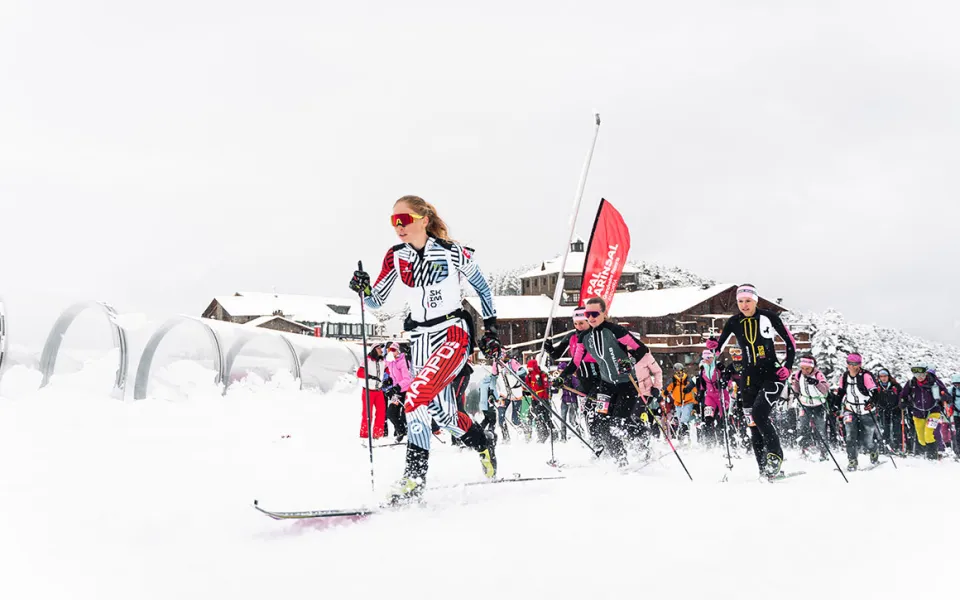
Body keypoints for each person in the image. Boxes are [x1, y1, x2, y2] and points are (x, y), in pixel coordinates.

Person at [349, 195, 500, 503]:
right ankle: (482, 441)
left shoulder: (451, 252)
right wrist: (362, 288)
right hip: (418, 338)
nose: (398, 226)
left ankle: (414, 478)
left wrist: (492, 329)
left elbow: (482, 288)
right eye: (393, 221)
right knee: (443, 416)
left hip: (452, 333)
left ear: (424, 220)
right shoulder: (396, 256)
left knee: (415, 396)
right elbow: (377, 300)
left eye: (403, 219)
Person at [707, 284, 797, 478]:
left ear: (755, 300)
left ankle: (775, 455)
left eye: (748, 301)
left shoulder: (769, 317)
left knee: (759, 413)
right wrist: (713, 346)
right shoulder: (733, 322)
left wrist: (787, 367)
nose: (744, 305)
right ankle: (764, 469)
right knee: (753, 424)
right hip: (748, 378)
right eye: (740, 301)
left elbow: (791, 343)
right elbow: (717, 349)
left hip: (772, 374)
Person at [555, 296, 653, 467]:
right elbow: (575, 362)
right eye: (588, 314)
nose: (591, 317)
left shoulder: (615, 331)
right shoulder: (584, 337)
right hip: (606, 387)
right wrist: (562, 376)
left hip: (625, 386)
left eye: (595, 313)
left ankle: (641, 435)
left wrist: (628, 363)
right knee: (601, 424)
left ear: (604, 313)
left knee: (617, 424)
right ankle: (620, 459)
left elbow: (641, 349)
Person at [833, 353, 879, 470]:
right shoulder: (844, 377)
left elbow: (875, 393)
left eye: (856, 364)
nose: (853, 367)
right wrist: (836, 405)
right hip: (850, 409)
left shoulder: (866, 376)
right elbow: (841, 392)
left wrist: (872, 402)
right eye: (850, 364)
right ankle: (852, 460)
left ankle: (873, 450)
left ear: (860, 365)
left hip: (866, 411)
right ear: (847, 364)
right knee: (850, 436)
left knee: (867, 440)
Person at [900, 363, 951, 460]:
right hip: (918, 413)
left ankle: (932, 457)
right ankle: (930, 453)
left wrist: (945, 396)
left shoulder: (935, 382)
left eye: (922, 375)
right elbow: (903, 395)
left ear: (926, 373)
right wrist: (902, 402)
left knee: (928, 434)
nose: (919, 377)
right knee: (921, 439)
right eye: (917, 375)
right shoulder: (911, 383)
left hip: (933, 411)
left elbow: (947, 395)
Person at [790, 353, 830, 461]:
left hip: (818, 405)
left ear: (812, 367)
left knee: (820, 429)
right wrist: (793, 384)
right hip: (805, 405)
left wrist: (816, 383)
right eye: (802, 368)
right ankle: (804, 449)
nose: (805, 371)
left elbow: (825, 389)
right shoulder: (798, 375)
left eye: (807, 368)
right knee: (803, 427)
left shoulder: (818, 375)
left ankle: (824, 452)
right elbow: (797, 390)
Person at [382, 342, 412, 443]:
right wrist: (388, 382)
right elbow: (393, 376)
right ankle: (401, 431)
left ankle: (411, 435)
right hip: (398, 392)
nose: (390, 352)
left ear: (398, 351)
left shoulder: (402, 362)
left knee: (405, 414)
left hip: (406, 390)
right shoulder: (390, 362)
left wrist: (397, 387)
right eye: (389, 350)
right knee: (391, 413)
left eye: (393, 350)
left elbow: (407, 379)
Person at [698, 350, 728, 448]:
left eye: (709, 358)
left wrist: (723, 381)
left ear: (712, 358)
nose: (707, 360)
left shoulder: (719, 367)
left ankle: (722, 442)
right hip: (710, 396)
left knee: (721, 420)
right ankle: (709, 442)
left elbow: (726, 378)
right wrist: (701, 393)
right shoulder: (703, 369)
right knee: (708, 419)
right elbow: (702, 383)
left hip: (721, 395)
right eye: (705, 358)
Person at [357, 344, 387, 440]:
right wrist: (370, 376)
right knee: (367, 414)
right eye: (378, 348)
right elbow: (359, 373)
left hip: (379, 391)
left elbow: (388, 371)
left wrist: (388, 379)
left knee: (381, 412)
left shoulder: (383, 361)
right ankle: (364, 436)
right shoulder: (367, 360)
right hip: (368, 391)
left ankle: (377, 435)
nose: (381, 350)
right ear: (374, 349)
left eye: (381, 348)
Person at [874, 368, 905, 455]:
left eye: (885, 376)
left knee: (896, 429)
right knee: (885, 428)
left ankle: (897, 446)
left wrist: (902, 402)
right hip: (883, 409)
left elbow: (902, 395)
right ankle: (885, 446)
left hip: (896, 409)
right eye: (881, 376)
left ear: (888, 376)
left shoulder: (895, 385)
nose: (883, 378)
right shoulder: (877, 386)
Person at [524, 359, 554, 443]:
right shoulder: (530, 375)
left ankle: (550, 432)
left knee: (544, 416)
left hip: (542, 398)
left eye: (530, 368)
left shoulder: (542, 374)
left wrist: (545, 398)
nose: (529, 369)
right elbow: (529, 386)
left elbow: (546, 387)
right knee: (532, 415)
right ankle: (539, 434)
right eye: (528, 368)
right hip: (534, 398)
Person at [666, 363, 698, 441]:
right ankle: (681, 437)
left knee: (684, 419)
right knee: (679, 420)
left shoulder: (688, 380)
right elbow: (666, 389)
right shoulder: (673, 381)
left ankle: (686, 435)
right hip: (678, 404)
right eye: (677, 372)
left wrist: (697, 399)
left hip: (688, 402)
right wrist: (664, 393)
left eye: (680, 372)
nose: (679, 374)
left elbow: (695, 389)